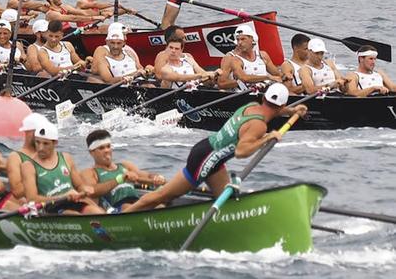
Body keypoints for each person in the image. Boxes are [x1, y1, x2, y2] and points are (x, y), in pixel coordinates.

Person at [124, 83, 308, 212]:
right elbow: (241, 152)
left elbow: (274, 108)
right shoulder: (259, 126)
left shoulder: (252, 106)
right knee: (162, 196)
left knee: (227, 203)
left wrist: (293, 111)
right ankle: (124, 217)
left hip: (209, 153)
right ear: (282, 103)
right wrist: (268, 137)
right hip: (206, 160)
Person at [21, 121, 105, 215]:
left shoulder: (66, 158)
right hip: (50, 208)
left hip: (73, 203)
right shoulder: (28, 166)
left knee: (96, 212)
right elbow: (32, 200)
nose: (40, 148)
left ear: (55, 143)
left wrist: (85, 189)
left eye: (45, 144)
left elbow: (79, 185)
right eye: (38, 142)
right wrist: (62, 197)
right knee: (74, 215)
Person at [81, 129, 165, 212]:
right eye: (101, 148)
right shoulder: (90, 172)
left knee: (159, 203)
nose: (107, 150)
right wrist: (120, 179)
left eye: (108, 146)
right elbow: (92, 191)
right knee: (127, 206)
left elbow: (147, 176)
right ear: (92, 152)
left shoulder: (125, 166)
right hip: (115, 209)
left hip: (137, 203)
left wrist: (156, 177)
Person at [6, 112, 49, 202]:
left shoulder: (50, 155)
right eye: (39, 132)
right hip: (34, 203)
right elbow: (17, 192)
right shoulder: (15, 158)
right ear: (27, 132)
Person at [225, 25, 283, 89]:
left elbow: (278, 74)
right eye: (238, 40)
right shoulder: (235, 60)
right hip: (245, 95)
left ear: (252, 39)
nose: (240, 43)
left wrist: (286, 75)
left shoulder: (263, 55)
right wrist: (268, 77)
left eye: (243, 39)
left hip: (263, 92)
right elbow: (244, 78)